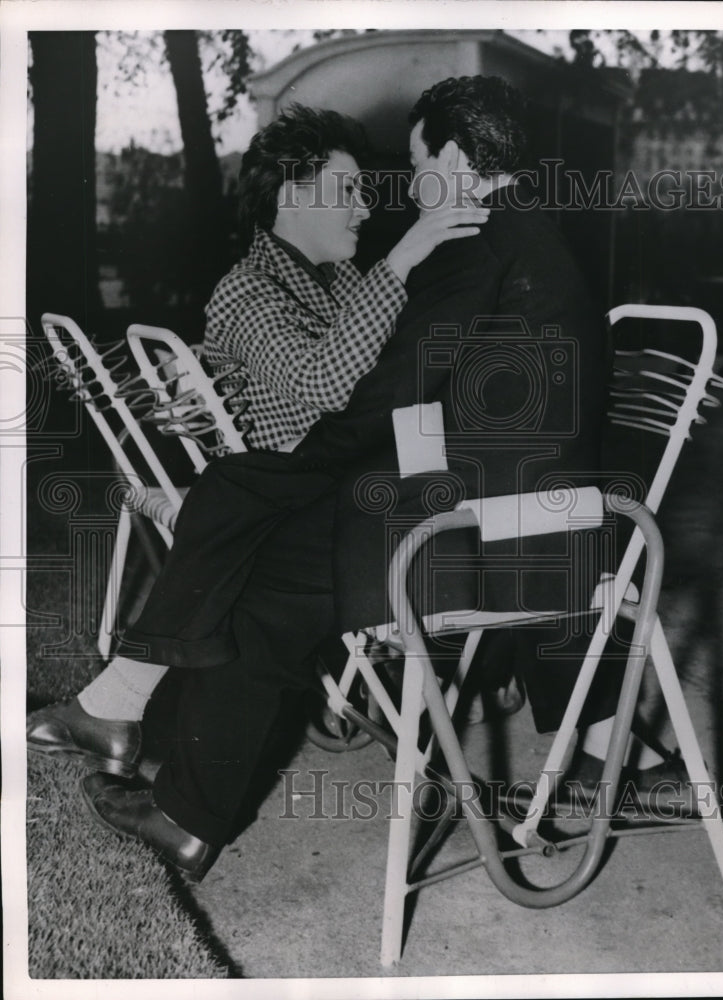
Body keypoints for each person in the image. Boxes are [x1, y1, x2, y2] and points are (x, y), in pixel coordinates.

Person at [36, 78, 688, 882]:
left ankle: (172, 793)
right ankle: (148, 749)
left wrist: (285, 474)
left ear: (454, 158)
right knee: (254, 521)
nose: (406, 190)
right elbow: (435, 407)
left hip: (486, 539)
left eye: (415, 166)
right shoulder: (532, 234)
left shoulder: (473, 246)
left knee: (257, 557)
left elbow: (382, 402)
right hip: (530, 521)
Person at [27, 104, 489, 773]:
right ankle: (121, 705)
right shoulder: (246, 291)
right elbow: (325, 381)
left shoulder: (343, 283)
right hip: (298, 505)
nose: (364, 207)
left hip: (326, 492)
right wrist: (404, 258)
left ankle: (118, 703)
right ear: (292, 196)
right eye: (348, 190)